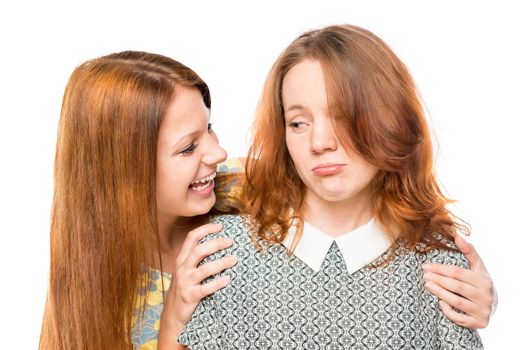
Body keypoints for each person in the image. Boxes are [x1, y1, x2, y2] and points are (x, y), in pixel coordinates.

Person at [177, 24, 487, 349]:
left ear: (390, 120)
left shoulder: (438, 264)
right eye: (298, 123)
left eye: (342, 116)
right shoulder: (222, 253)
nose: (320, 142)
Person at [39, 51, 238, 349]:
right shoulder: (89, 297)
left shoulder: (246, 191)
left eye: (209, 128)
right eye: (188, 148)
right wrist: (172, 325)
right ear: (126, 170)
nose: (218, 154)